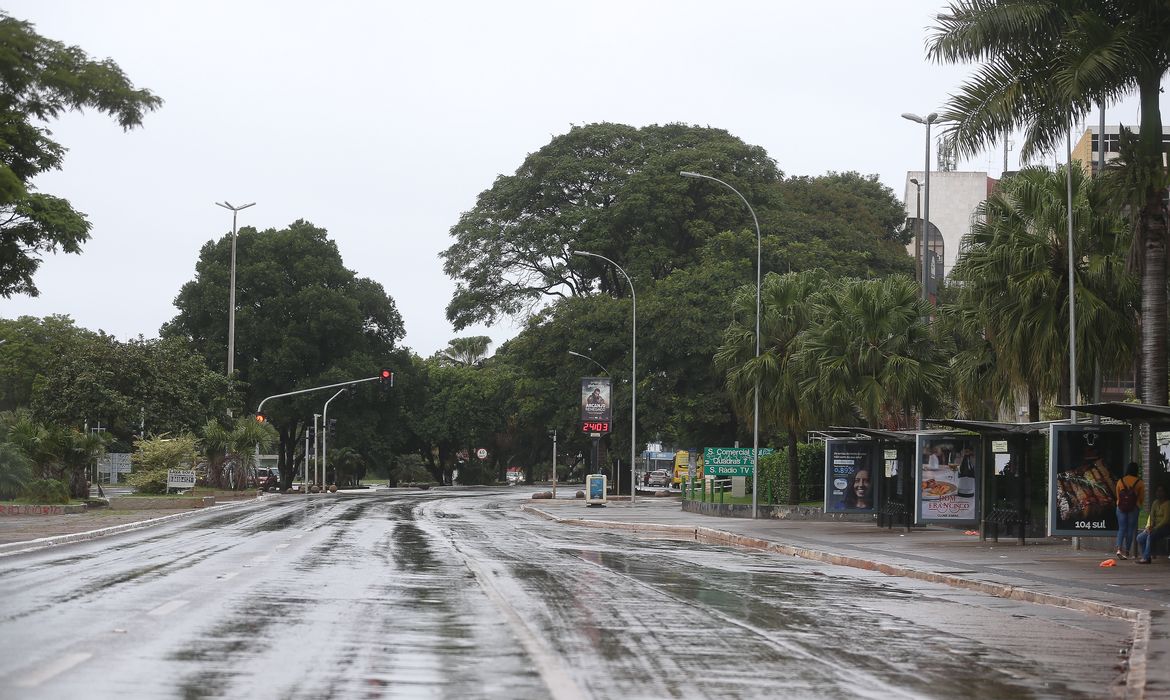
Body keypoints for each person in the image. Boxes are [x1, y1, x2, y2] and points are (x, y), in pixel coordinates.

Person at [1115, 462, 1145, 559]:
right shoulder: (1139, 482)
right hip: (1134, 507)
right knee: (1130, 530)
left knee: (1121, 528)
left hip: (1121, 507)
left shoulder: (1121, 481)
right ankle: (1127, 551)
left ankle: (1119, 549)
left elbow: (1118, 495)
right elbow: (1141, 497)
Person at [1136, 484, 1169, 564]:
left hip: (1165, 527)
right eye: (1157, 491)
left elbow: (1166, 519)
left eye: (1161, 491)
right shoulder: (1155, 503)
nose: (1159, 493)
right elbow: (1152, 516)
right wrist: (1149, 526)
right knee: (1140, 537)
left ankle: (1146, 557)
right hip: (1155, 527)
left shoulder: (1168, 504)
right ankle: (1146, 556)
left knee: (1150, 535)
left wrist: (1155, 528)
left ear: (1165, 493)